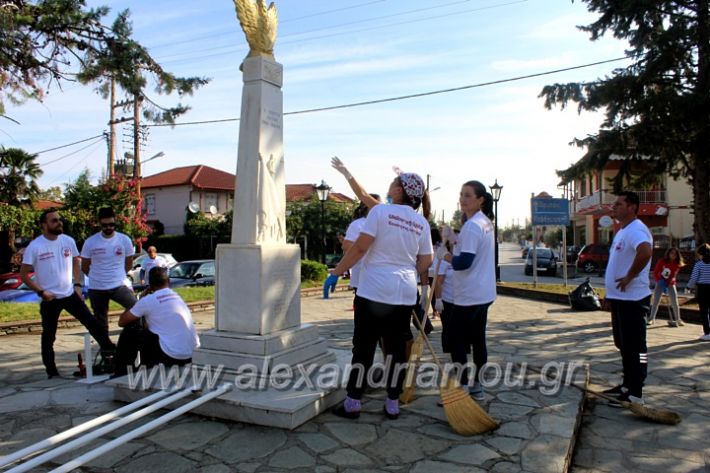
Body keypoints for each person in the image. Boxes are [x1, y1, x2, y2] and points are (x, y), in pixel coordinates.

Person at [330, 160, 433, 420]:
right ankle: (392, 403)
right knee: (397, 348)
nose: (390, 186)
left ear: (399, 191)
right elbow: (426, 261)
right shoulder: (421, 223)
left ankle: (353, 402)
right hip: (404, 292)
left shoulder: (380, 213)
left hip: (374, 291)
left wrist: (337, 270)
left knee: (363, 347)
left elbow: (361, 248)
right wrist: (409, 270)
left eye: (394, 184)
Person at [20, 210, 116, 378]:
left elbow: (75, 262)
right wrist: (41, 291)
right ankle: (52, 371)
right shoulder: (35, 247)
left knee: (92, 323)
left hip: (70, 294)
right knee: (49, 336)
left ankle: (114, 355)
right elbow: (24, 274)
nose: (59, 223)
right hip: (50, 298)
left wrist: (77, 284)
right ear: (44, 225)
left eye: (60, 220)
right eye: (54, 220)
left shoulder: (68, 241)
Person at [438, 181, 496, 401]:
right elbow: (467, 247)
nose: (462, 199)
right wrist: (452, 237)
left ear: (480, 199)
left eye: (468, 195)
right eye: (461, 194)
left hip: (469, 294)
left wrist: (444, 256)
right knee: (478, 339)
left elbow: (463, 262)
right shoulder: (484, 223)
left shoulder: (473, 225)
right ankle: (477, 386)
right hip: (484, 293)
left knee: (454, 339)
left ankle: (462, 386)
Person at [602, 191, 653, 406]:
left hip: (634, 299)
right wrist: (609, 295)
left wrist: (631, 276)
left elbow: (645, 252)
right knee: (623, 344)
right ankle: (626, 384)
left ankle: (636, 391)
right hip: (620, 299)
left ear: (632, 207)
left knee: (637, 348)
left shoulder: (637, 230)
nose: (614, 207)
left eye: (618, 204)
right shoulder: (623, 230)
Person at [113, 267, 200, 377]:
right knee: (149, 332)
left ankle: (122, 372)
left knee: (131, 331)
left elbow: (122, 322)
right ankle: (146, 365)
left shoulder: (148, 301)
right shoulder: (177, 297)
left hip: (171, 355)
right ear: (168, 281)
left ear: (150, 284)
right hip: (190, 354)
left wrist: (138, 300)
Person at [81, 207, 137, 331]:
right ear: (99, 223)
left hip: (118, 285)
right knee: (101, 324)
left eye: (112, 224)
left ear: (115, 221)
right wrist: (98, 276)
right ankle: (106, 349)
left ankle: (128, 336)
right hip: (97, 287)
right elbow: (84, 267)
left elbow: (128, 264)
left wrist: (119, 275)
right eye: (105, 225)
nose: (108, 228)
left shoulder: (124, 240)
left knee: (136, 307)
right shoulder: (90, 242)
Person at [647, 247, 684, 327]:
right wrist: (659, 280)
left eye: (675, 254)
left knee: (674, 301)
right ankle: (651, 318)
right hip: (660, 282)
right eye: (671, 253)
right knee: (656, 301)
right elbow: (656, 272)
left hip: (670, 284)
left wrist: (668, 284)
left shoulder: (676, 264)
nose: (673, 255)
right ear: (668, 254)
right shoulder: (662, 261)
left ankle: (678, 319)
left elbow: (673, 275)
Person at [687, 243, 710, 341]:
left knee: (704, 312)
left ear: (701, 254)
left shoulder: (699, 264)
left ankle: (707, 333)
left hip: (703, 290)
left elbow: (694, 278)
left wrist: (689, 287)